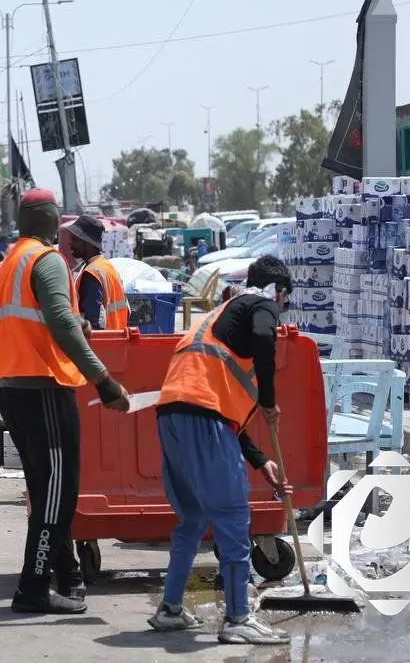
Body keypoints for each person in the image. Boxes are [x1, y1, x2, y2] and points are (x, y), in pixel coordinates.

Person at [0, 189, 131, 615]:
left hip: (15, 384)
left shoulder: (14, 259)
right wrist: (103, 380)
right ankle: (33, 587)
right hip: (44, 384)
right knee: (59, 493)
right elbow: (61, 322)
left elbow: (49, 319)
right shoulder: (46, 260)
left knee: (46, 489)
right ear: (52, 220)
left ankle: (66, 578)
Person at [147, 255, 293, 645]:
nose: (280, 310)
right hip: (201, 418)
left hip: (173, 416)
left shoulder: (218, 316)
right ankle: (238, 618)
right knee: (232, 517)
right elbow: (265, 338)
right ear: (279, 291)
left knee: (193, 519)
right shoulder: (262, 303)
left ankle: (170, 609)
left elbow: (224, 420)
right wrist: (268, 398)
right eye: (285, 301)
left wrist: (262, 462)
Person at [65, 215, 129, 331]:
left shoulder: (91, 273)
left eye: (75, 240)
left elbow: (95, 322)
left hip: (101, 344)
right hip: (118, 341)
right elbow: (127, 310)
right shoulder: (109, 267)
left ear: (87, 242)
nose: (71, 244)